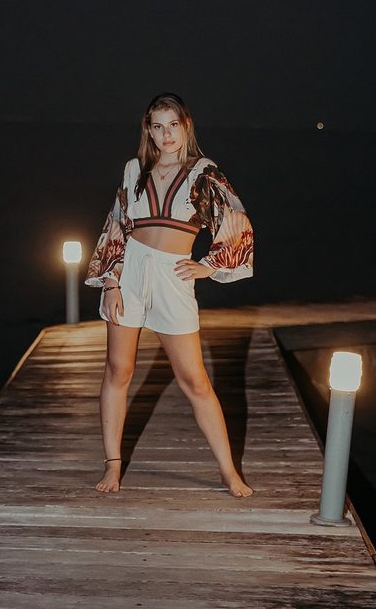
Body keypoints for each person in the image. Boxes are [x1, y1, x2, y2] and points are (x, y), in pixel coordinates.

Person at [85, 92, 254, 497]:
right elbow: (117, 225)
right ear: (149, 130)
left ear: (186, 126)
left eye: (173, 125)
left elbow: (236, 219)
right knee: (118, 370)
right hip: (130, 272)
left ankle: (228, 471)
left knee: (194, 379)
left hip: (173, 275)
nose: (166, 135)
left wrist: (209, 265)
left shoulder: (204, 172)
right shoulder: (134, 169)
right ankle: (112, 465)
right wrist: (111, 282)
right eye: (158, 126)